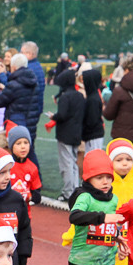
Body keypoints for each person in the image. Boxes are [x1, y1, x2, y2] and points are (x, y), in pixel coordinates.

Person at [50, 69, 85, 198]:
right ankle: (75, 189)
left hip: (65, 133)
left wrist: (54, 116)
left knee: (67, 164)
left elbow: (62, 115)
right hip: (76, 133)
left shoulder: (65, 97)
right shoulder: (79, 95)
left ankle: (68, 192)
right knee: (74, 163)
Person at [0, 54, 38, 145]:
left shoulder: (13, 85)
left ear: (14, 67)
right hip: (31, 121)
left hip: (15, 124)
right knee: (29, 150)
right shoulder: (34, 82)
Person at [19, 41, 47, 165]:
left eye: (22, 52)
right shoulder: (37, 66)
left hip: (29, 111)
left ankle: (33, 177)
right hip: (34, 109)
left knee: (26, 146)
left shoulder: (29, 69)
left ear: (29, 54)